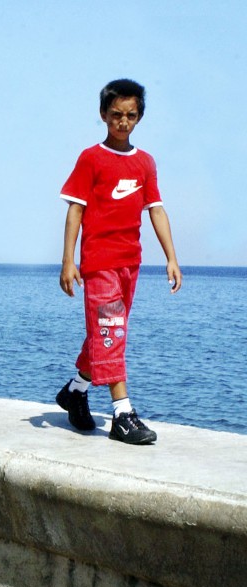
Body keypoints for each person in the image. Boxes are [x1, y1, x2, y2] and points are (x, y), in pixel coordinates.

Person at [55, 78, 182, 445]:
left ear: (139, 117)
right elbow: (75, 211)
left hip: (131, 263)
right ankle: (122, 414)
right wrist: (68, 261)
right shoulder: (91, 158)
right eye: (115, 116)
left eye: (130, 116)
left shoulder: (144, 162)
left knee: (106, 333)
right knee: (112, 333)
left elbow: (156, 210)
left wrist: (171, 257)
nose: (122, 122)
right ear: (103, 115)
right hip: (99, 262)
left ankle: (76, 390)